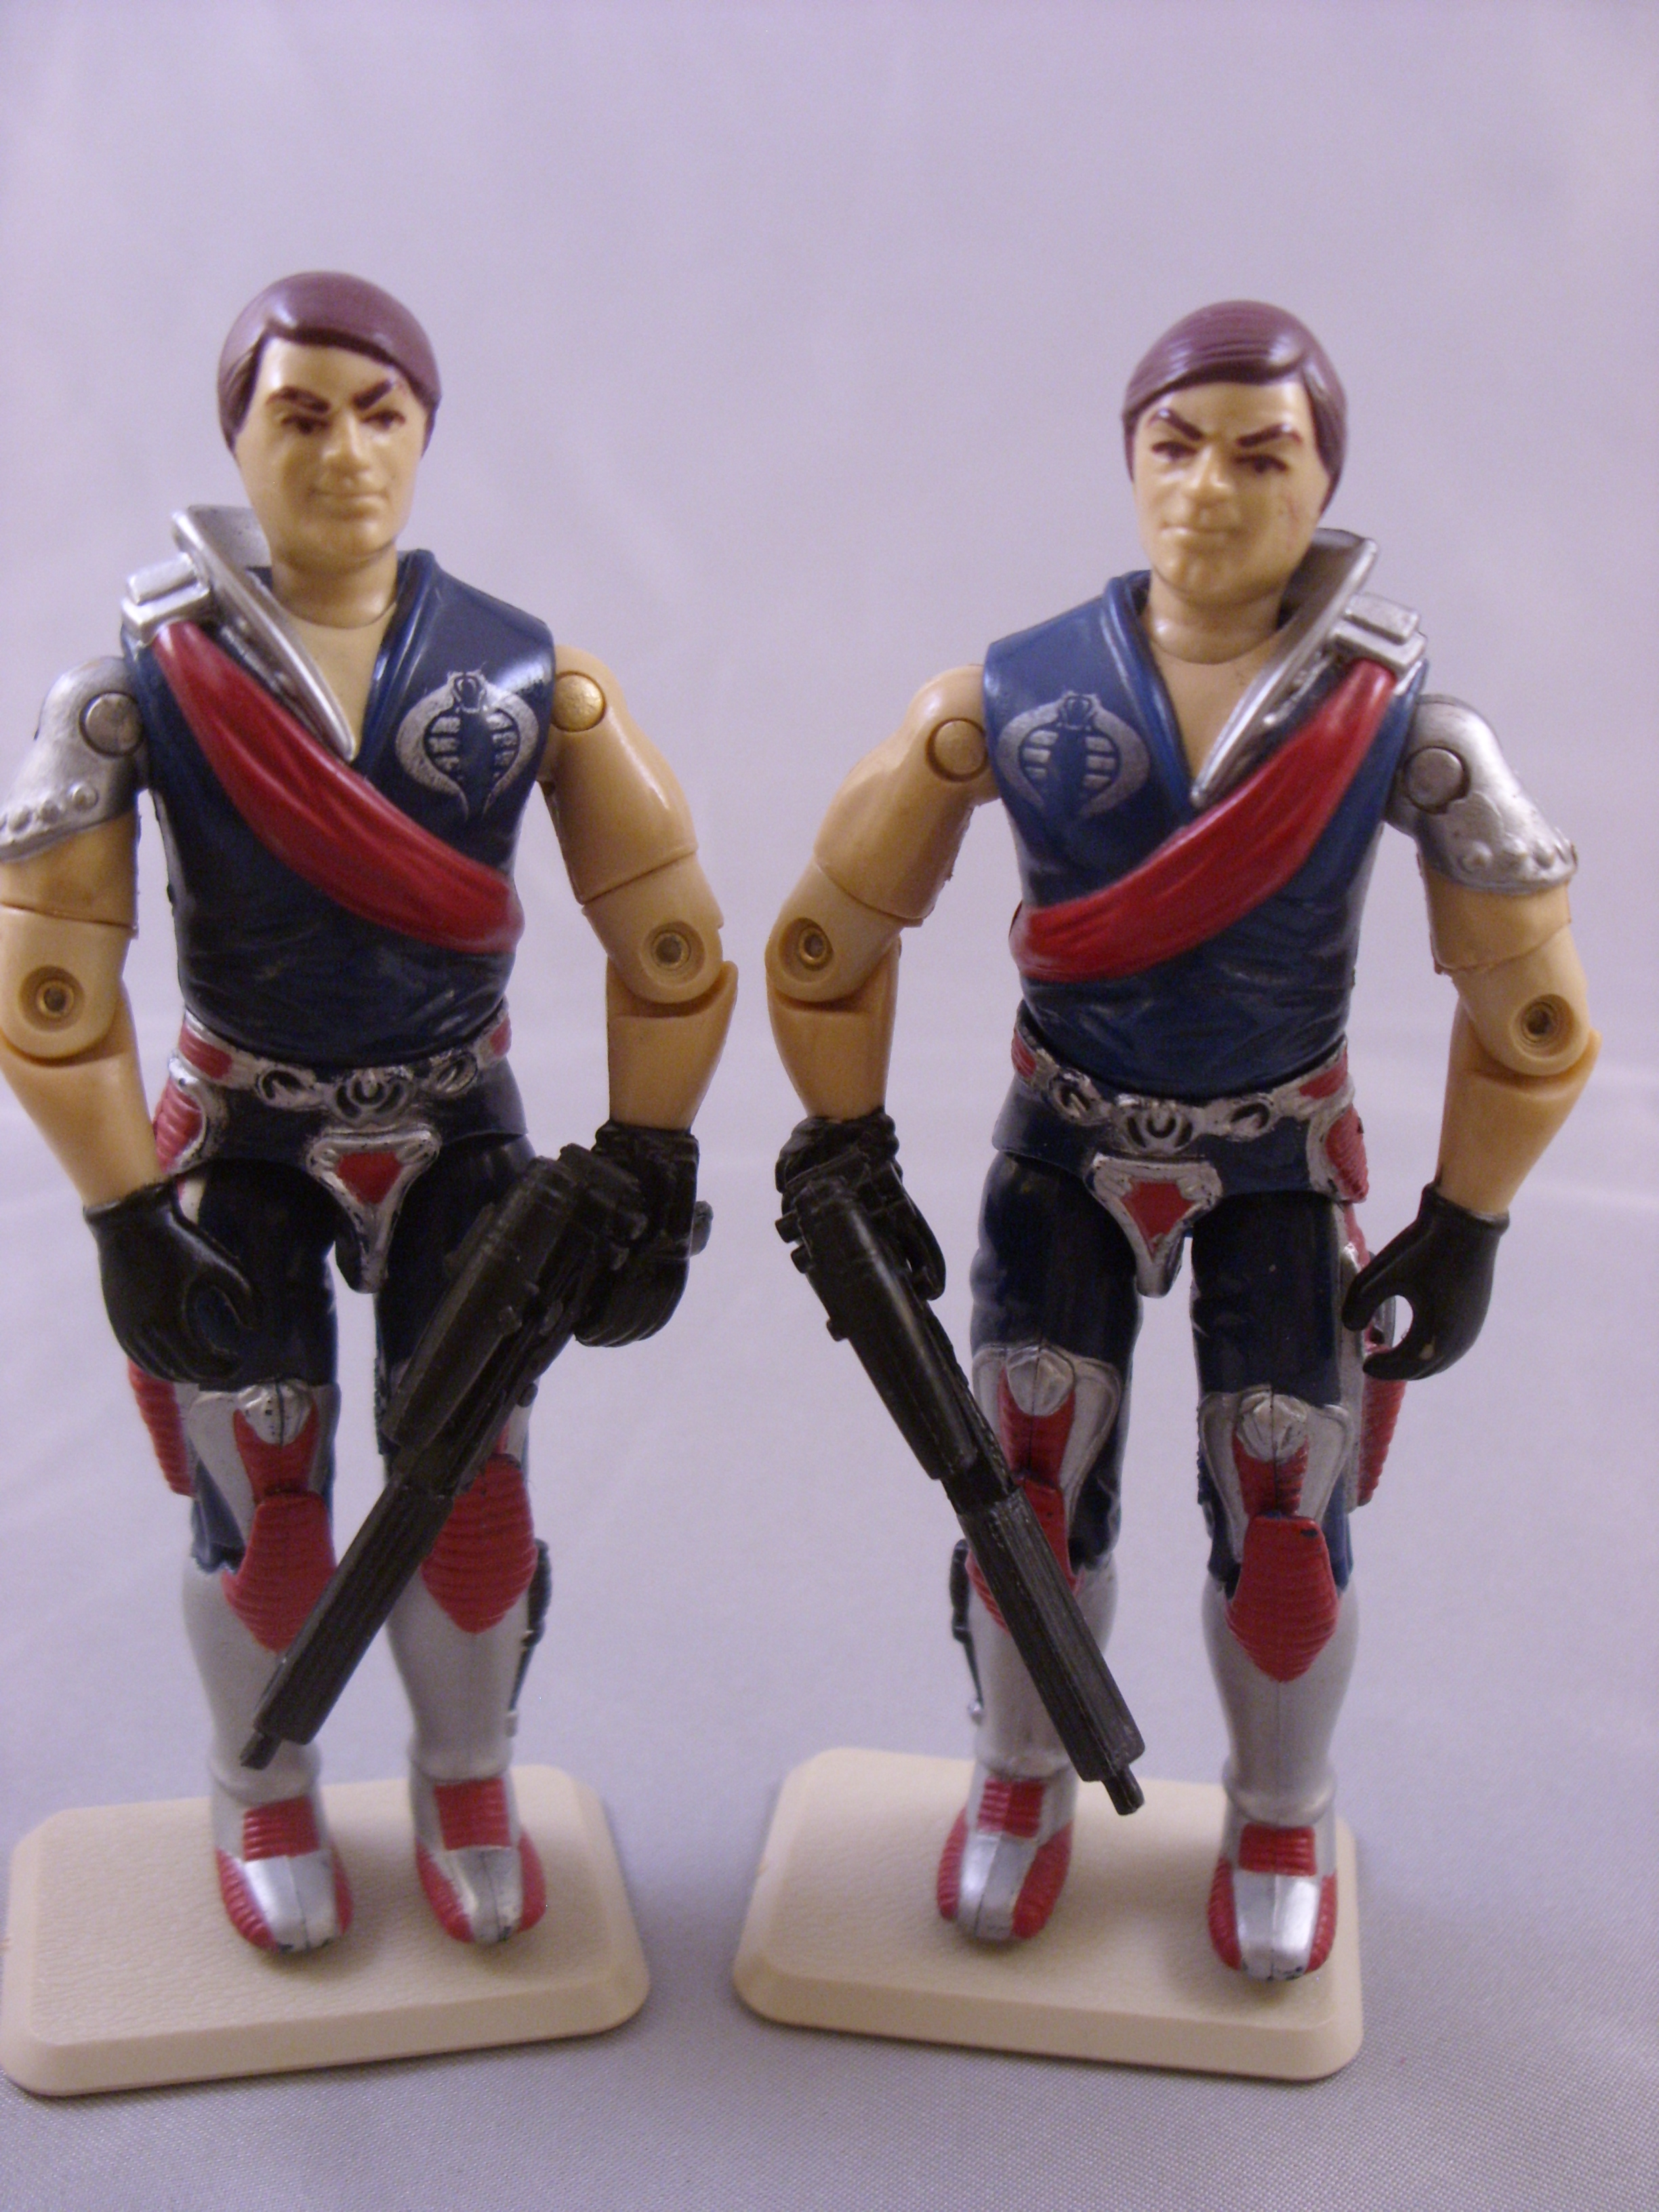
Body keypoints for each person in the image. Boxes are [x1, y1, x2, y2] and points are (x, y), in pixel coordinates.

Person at [766, 300, 1595, 1979]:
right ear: (1130, 462)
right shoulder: (1007, 697)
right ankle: (1018, 1777)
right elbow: (827, 936)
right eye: (1178, 447)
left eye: (1261, 455)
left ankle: (1282, 1809)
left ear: (1323, 481)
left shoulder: (1402, 725)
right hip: (1063, 1149)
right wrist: (846, 1143)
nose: (1211, 488)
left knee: (1285, 1508)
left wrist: (1472, 1216)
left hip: (1279, 1160)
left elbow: (1534, 1017)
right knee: (1023, 1487)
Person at [0, 273, 735, 1954]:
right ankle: (258, 1784)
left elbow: (670, 943)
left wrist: (650, 1160)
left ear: (426, 433)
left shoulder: (530, 676)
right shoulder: (140, 683)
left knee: (473, 1491)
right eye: (301, 414)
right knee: (263, 1504)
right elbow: (49, 984)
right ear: (240, 439)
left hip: (459, 1130)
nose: (343, 451)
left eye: (379, 413)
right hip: (241, 1134)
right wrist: (123, 1213)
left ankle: (467, 1776)